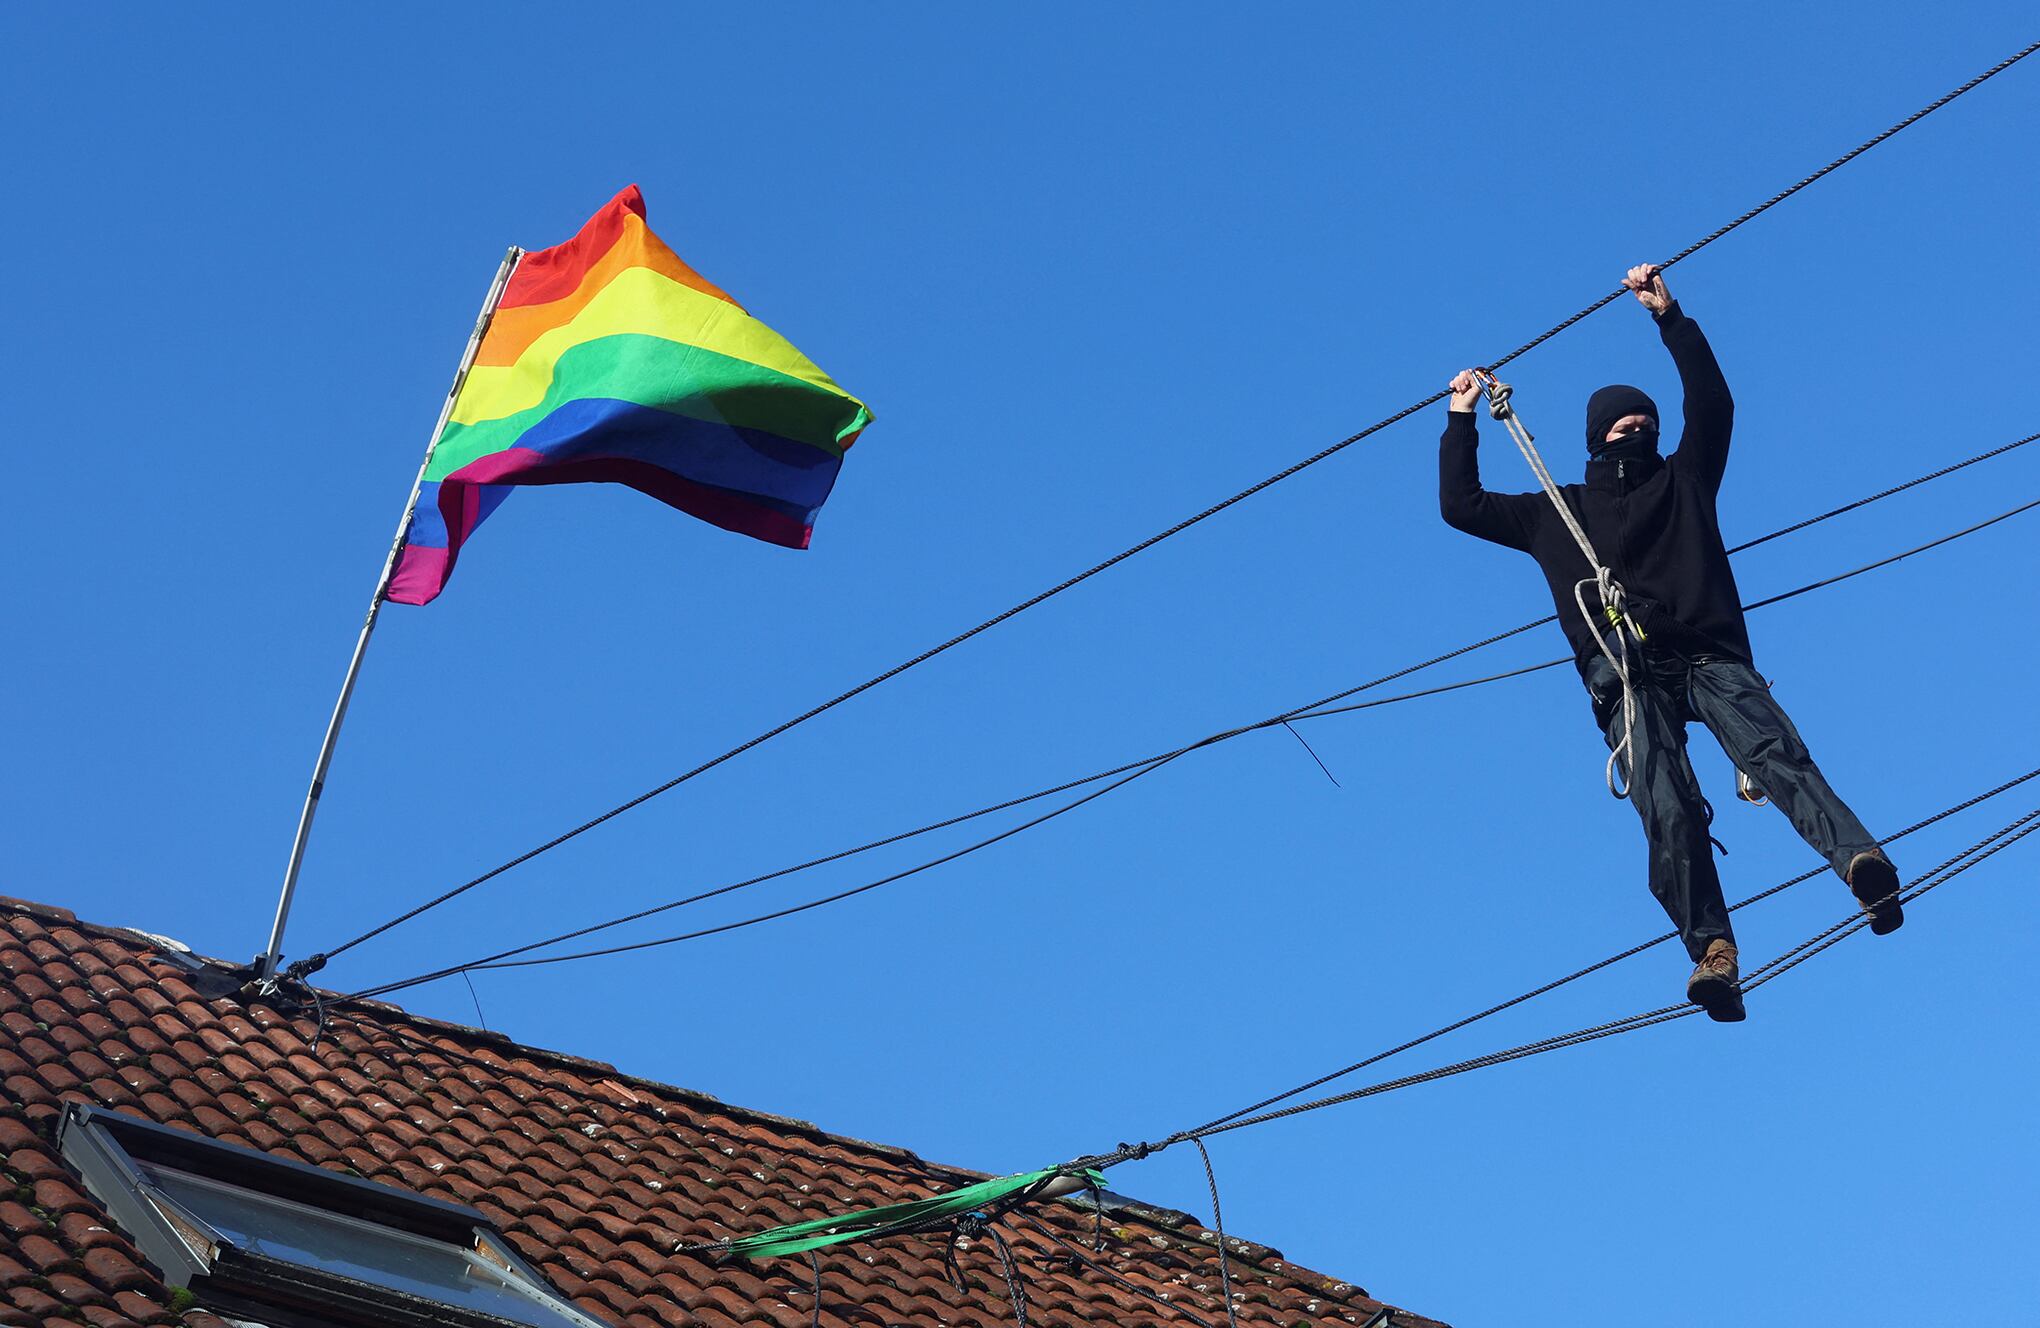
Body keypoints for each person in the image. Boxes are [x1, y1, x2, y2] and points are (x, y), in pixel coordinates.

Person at [1437, 264, 1900, 1023]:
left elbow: (1713, 405)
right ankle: (1713, 952)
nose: (1641, 431)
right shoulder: (1559, 513)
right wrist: (1460, 419)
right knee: (1667, 804)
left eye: (1647, 424)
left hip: (1705, 653)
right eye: (1627, 426)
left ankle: (1861, 862)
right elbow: (1460, 505)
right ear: (1598, 437)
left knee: (1772, 752)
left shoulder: (1684, 482)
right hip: (1624, 673)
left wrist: (1671, 317)